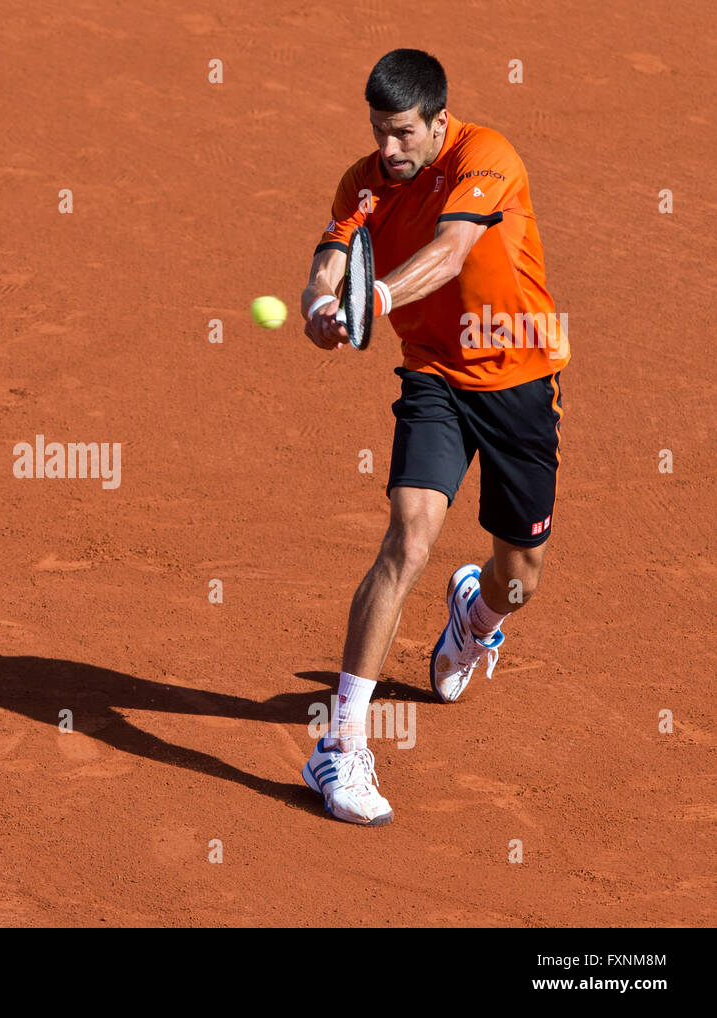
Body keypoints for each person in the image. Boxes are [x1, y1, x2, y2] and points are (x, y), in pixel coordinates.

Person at [298, 48, 569, 825]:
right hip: (435, 379)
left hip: (520, 379)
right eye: (380, 132)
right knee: (408, 540)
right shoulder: (363, 183)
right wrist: (322, 305)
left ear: (439, 121)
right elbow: (327, 261)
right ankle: (340, 746)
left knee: (523, 577)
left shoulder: (486, 157)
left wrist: (373, 297)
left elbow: (452, 253)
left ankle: (476, 617)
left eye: (405, 133)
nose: (391, 150)